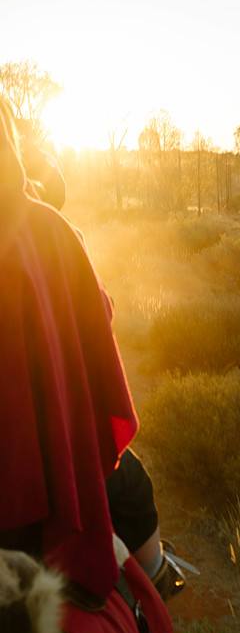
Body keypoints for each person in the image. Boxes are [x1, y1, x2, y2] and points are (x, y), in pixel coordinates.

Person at [0, 97, 181, 605]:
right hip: (33, 484)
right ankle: (157, 586)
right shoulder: (50, 230)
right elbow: (96, 327)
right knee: (131, 484)